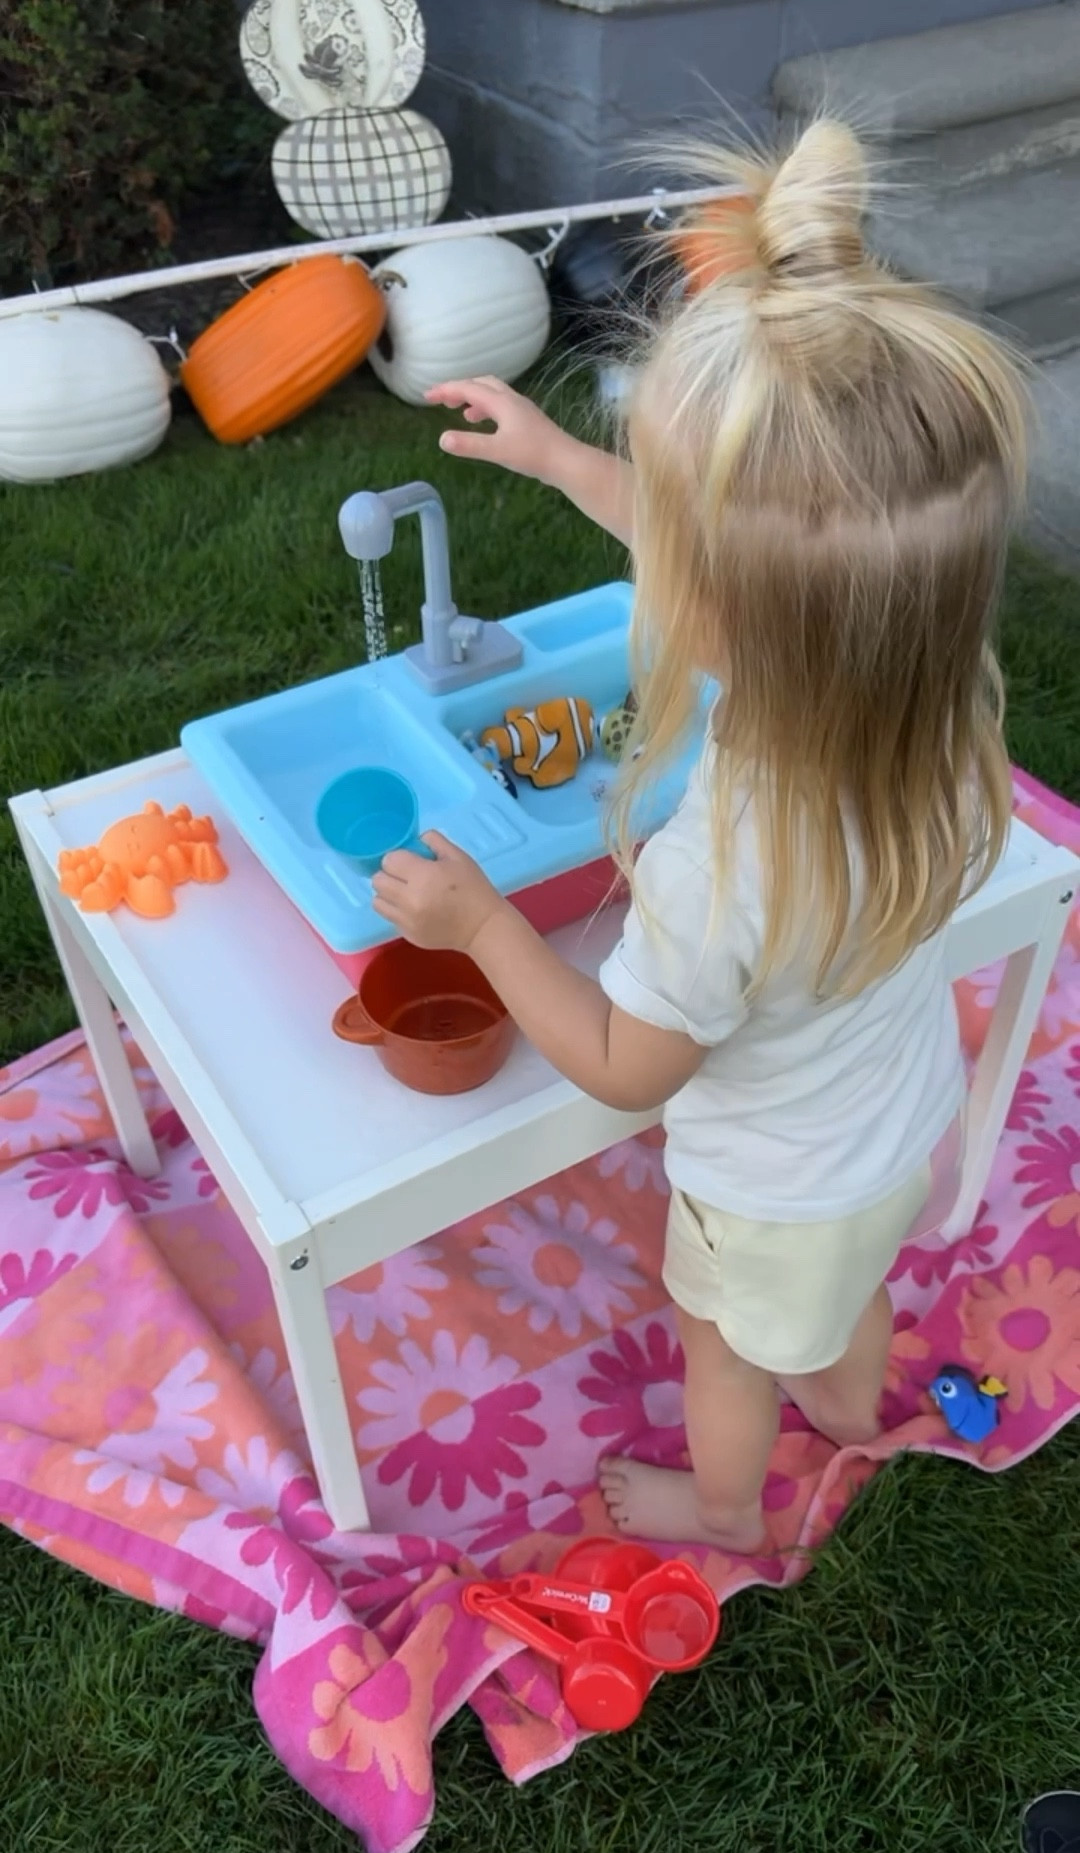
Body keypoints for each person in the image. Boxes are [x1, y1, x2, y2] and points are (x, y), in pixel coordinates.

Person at [370, 119, 1029, 1555]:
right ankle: (854, 1400)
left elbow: (623, 1071)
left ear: (722, 603)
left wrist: (481, 926)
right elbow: (725, 559)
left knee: (724, 1340)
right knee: (844, 1295)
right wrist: (556, 463)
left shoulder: (724, 860)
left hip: (771, 1193)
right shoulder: (941, 720)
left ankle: (730, 1508)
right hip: (896, 1126)